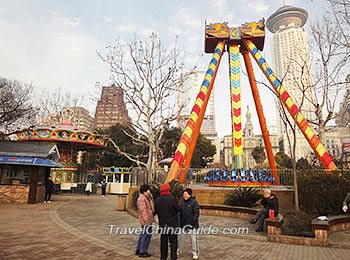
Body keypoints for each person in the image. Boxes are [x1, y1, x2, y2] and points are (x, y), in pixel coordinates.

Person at [155, 183, 180, 260]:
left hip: (162, 223)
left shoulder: (157, 200)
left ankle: (163, 257)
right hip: (172, 223)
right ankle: (173, 257)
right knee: (173, 241)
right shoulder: (172, 199)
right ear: (168, 190)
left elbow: (156, 211)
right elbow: (177, 209)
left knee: (163, 241)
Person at [177, 188, 200, 260]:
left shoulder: (194, 202)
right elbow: (179, 212)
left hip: (192, 225)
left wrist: (193, 222)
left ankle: (195, 253)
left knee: (194, 240)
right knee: (181, 239)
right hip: (183, 225)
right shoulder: (182, 202)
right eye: (184, 194)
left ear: (190, 194)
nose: (184, 196)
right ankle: (179, 250)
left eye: (186, 194)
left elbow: (196, 214)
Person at [136, 184, 154, 258]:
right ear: (144, 191)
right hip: (146, 221)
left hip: (147, 220)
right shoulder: (142, 199)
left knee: (143, 234)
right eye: (148, 190)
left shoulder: (145, 198)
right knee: (146, 235)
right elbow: (143, 211)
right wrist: (147, 220)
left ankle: (139, 249)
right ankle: (142, 251)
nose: (149, 191)